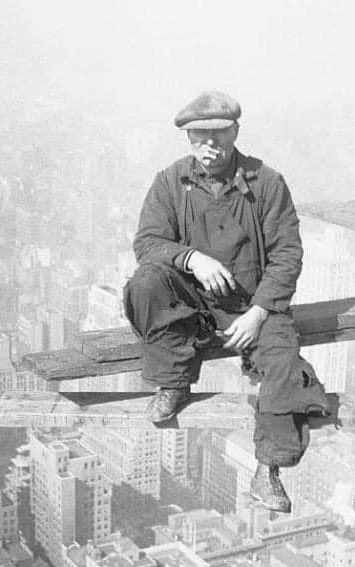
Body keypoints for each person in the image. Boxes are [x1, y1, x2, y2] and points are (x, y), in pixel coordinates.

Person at [123, 90, 330, 513]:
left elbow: (287, 254)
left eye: (218, 134)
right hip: (193, 302)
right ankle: (174, 383)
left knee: (283, 361)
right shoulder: (171, 182)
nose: (209, 145)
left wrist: (258, 313)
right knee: (146, 283)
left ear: (236, 131)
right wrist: (191, 258)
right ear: (188, 137)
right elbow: (148, 243)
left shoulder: (266, 183)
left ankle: (268, 469)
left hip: (252, 304)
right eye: (199, 135)